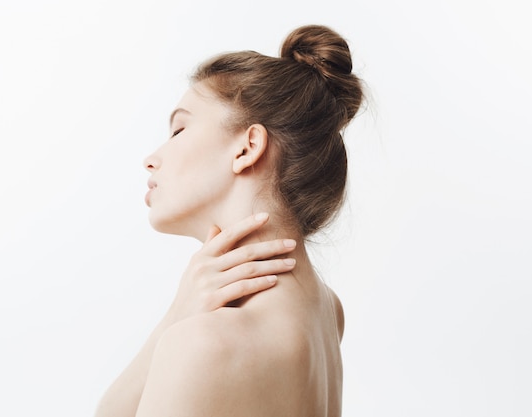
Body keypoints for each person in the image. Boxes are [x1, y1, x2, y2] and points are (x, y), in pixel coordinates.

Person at [95, 24, 364, 417]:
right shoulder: (326, 311)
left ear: (247, 147)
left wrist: (177, 324)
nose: (152, 158)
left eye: (180, 128)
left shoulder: (204, 342)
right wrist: (179, 311)